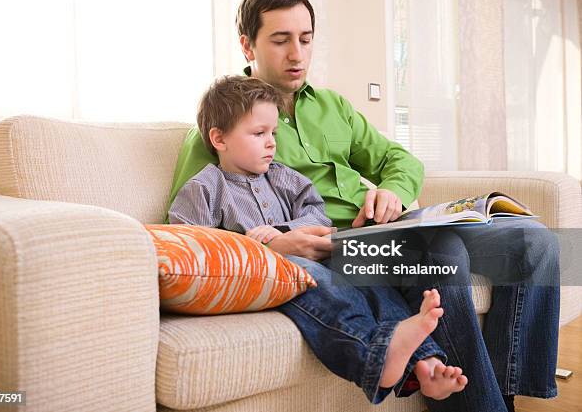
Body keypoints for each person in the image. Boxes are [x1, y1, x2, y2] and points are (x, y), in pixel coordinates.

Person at [167, 0, 560, 412]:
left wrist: (392, 189)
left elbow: (400, 159)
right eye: (280, 41)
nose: (297, 54)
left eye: (306, 39)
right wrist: (273, 241)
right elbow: (191, 240)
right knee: (442, 250)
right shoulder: (221, 129)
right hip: (339, 243)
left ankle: (504, 392)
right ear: (247, 45)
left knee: (533, 241)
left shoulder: (333, 106)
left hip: (392, 222)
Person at [168, 75, 467, 403]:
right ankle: (375, 358)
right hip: (272, 275)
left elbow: (317, 215)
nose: (271, 143)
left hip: (316, 257)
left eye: (273, 133)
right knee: (328, 288)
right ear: (219, 139)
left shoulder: (284, 177)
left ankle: (425, 362)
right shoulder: (205, 187)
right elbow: (191, 245)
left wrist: (287, 231)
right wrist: (255, 245)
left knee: (369, 279)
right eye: (258, 134)